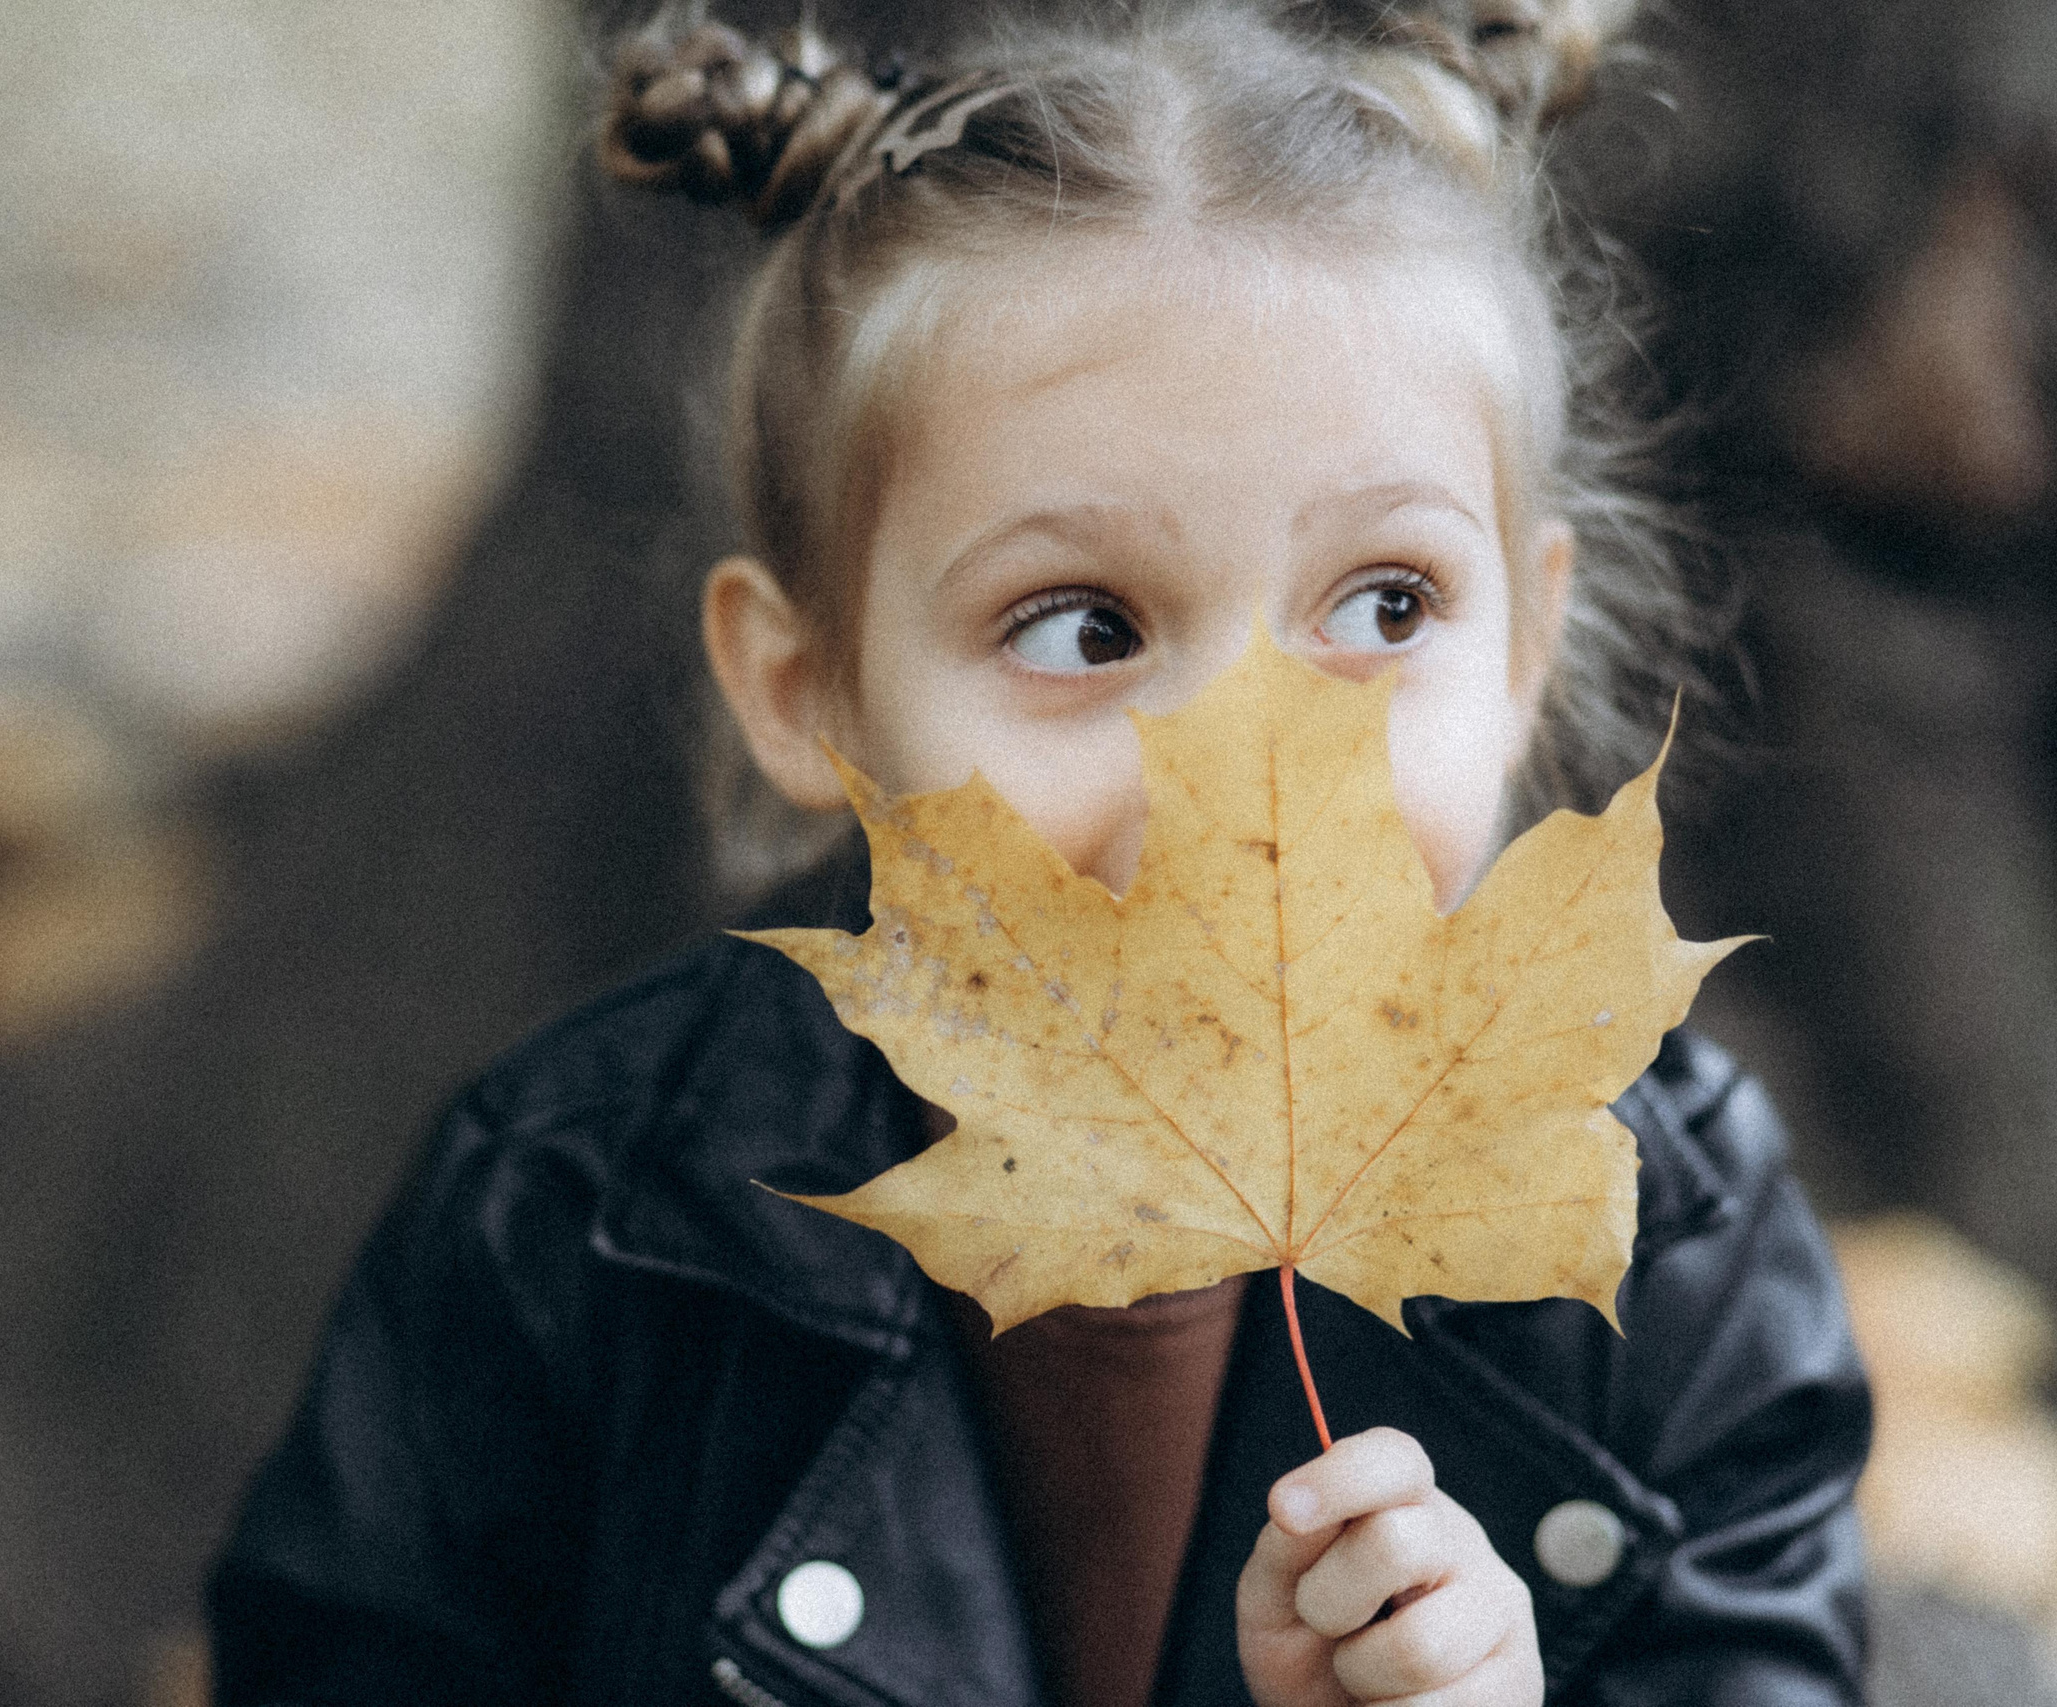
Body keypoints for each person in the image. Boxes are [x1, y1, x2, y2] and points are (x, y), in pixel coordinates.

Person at [207, 6, 1870, 1704]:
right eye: (1081, 629)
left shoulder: (1663, 1238)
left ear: (1525, 650)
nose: (1235, 780)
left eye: (1386, 605)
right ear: (809, 694)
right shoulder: (573, 1220)